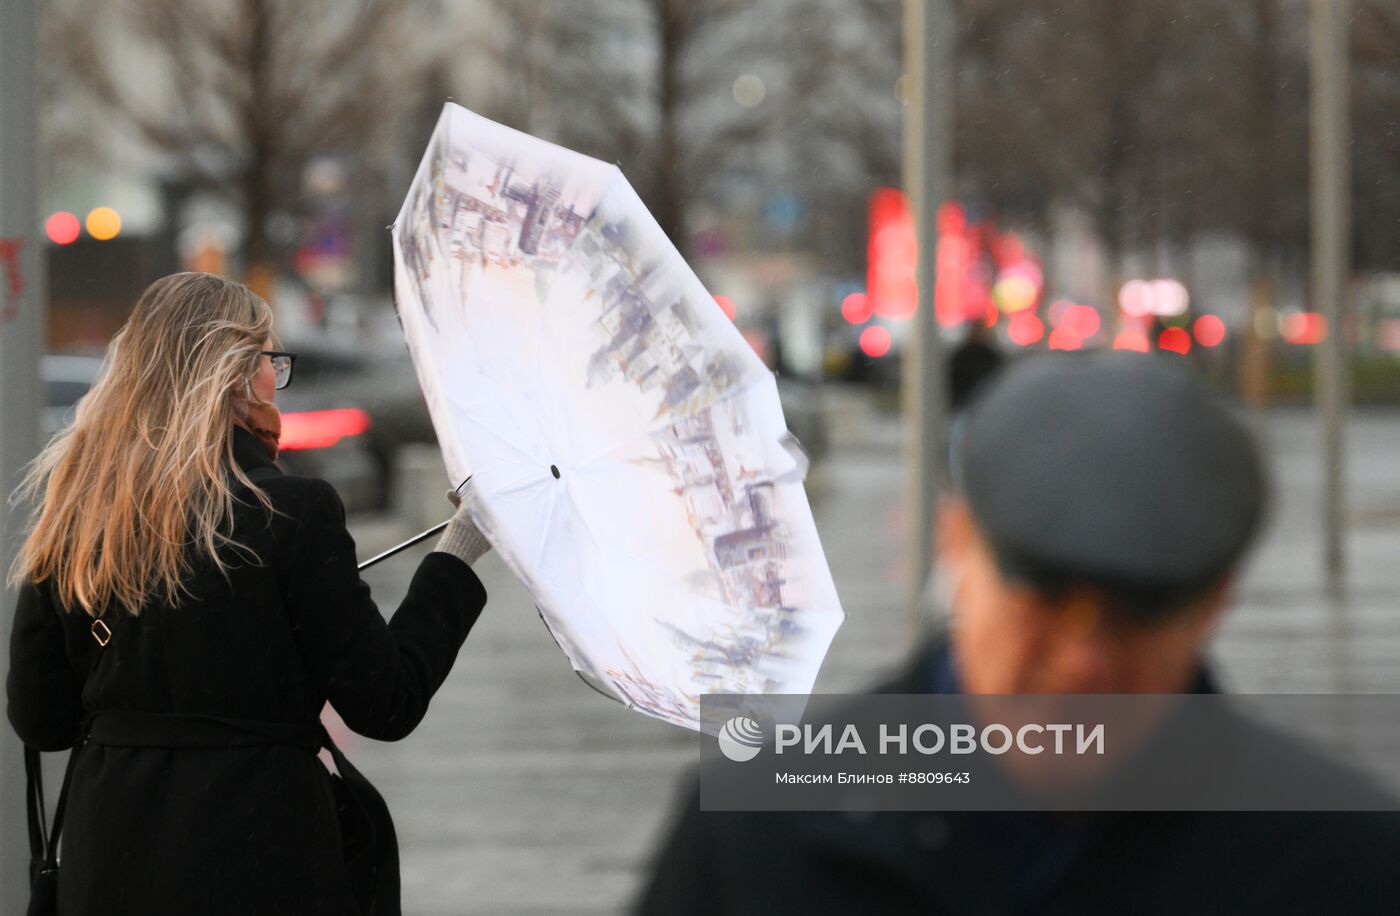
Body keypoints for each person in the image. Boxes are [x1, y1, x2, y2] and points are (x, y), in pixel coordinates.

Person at [637, 352, 1400, 914]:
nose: (1084, 663)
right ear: (956, 543)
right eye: (1044, 596)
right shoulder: (749, 839)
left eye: (1138, 615)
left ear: (1216, 602)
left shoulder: (1343, 865)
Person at [7, 272, 491, 915]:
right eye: (271, 359)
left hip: (111, 865)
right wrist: (458, 551)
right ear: (235, 377)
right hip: (261, 859)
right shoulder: (291, 512)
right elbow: (386, 701)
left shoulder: (78, 515)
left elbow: (42, 718)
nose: (275, 378)